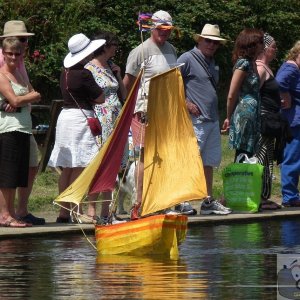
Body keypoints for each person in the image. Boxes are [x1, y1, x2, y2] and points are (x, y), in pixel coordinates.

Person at [123, 10, 177, 218]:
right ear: (152, 28)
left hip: (165, 113)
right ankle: (140, 202)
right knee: (145, 156)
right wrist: (131, 110)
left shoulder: (172, 50)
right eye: (161, 29)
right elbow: (127, 84)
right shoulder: (140, 51)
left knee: (163, 155)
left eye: (168, 30)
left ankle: (160, 199)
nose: (164, 33)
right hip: (144, 111)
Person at [48, 33, 105, 223]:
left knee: (68, 167)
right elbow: (100, 98)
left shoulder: (65, 72)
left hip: (65, 118)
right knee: (81, 165)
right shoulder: (84, 73)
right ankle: (78, 211)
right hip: (81, 120)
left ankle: (64, 212)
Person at [177, 24, 231, 215]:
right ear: (199, 40)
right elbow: (172, 85)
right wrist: (186, 103)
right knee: (190, 159)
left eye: (215, 42)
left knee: (209, 161)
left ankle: (207, 201)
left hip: (212, 119)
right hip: (195, 120)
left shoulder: (212, 61)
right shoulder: (187, 58)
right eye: (208, 40)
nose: (212, 45)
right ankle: (181, 200)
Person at [0, 20, 45, 225]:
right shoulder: (3, 63)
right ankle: (7, 214)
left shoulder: (19, 65)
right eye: (20, 40)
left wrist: (23, 99)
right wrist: (8, 103)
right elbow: (16, 98)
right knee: (8, 172)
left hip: (22, 125)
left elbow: (34, 93)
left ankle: (18, 211)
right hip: (8, 125)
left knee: (24, 168)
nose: (23, 45)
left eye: (25, 41)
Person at [85, 32, 127, 219]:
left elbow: (123, 94)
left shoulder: (111, 67)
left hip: (116, 117)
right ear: (105, 46)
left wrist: (118, 75)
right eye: (114, 44)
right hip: (101, 118)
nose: (116, 47)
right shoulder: (89, 68)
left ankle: (107, 210)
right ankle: (91, 208)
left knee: (113, 164)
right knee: (100, 163)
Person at [222, 29, 264, 158]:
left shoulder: (252, 64)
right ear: (252, 44)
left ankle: (248, 177)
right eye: (260, 42)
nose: (263, 45)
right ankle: (239, 178)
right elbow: (232, 94)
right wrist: (228, 117)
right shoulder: (243, 63)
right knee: (243, 154)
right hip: (245, 114)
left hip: (253, 113)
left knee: (250, 155)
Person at [255, 33, 283, 210]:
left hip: (271, 118)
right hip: (263, 119)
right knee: (260, 157)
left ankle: (264, 196)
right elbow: (253, 92)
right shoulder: (260, 68)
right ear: (265, 48)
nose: (275, 50)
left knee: (268, 159)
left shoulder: (268, 67)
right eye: (273, 46)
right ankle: (257, 197)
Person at [276, 41, 300, 207]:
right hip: (293, 121)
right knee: (292, 158)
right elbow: (279, 83)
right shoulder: (291, 68)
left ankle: (292, 195)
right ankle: (290, 196)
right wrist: (285, 96)